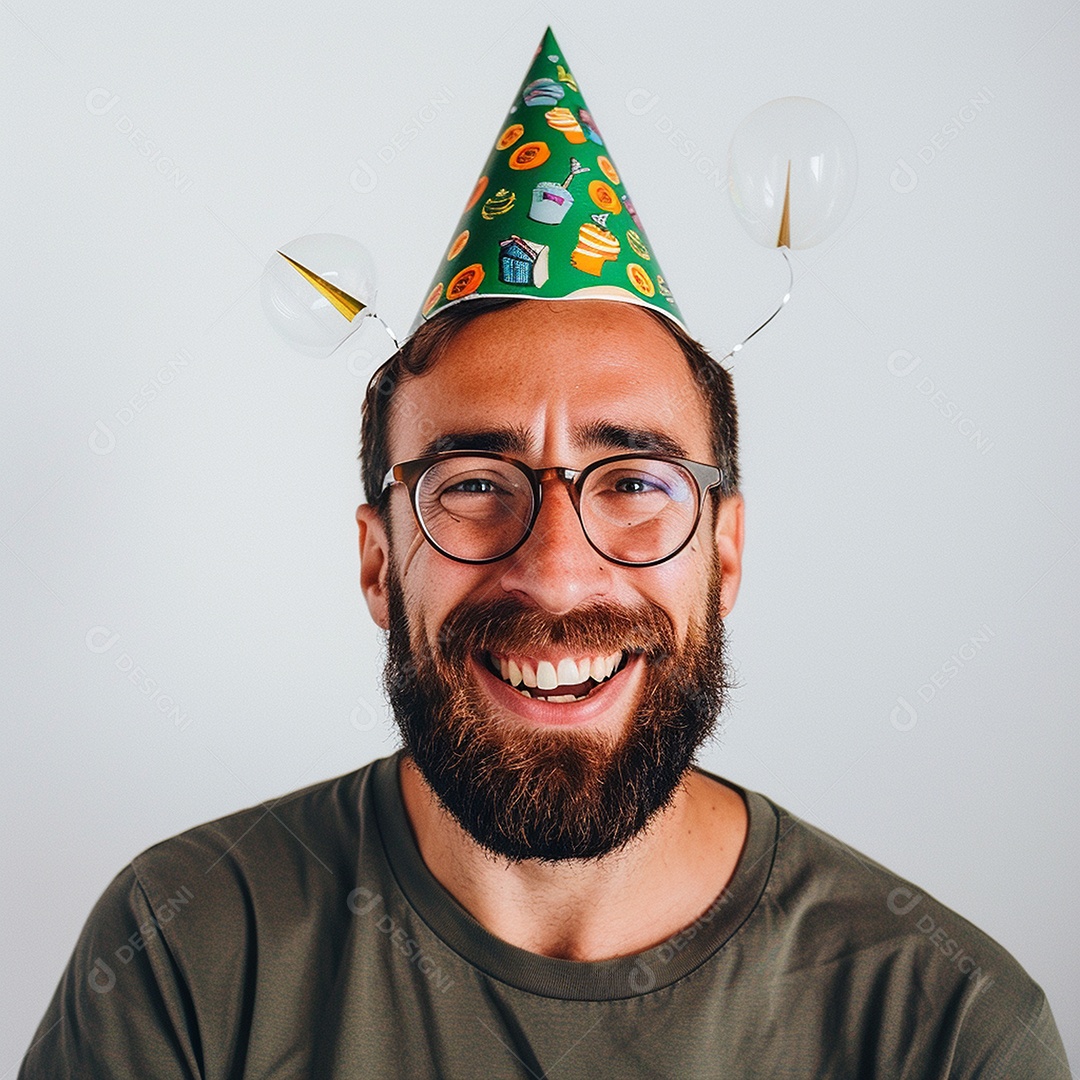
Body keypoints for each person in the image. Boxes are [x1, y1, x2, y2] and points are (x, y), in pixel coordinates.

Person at [20, 29, 1070, 1080]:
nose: (559, 570)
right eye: (474, 486)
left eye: (635, 485)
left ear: (727, 553)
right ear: (379, 561)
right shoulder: (186, 952)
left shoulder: (944, 1026)